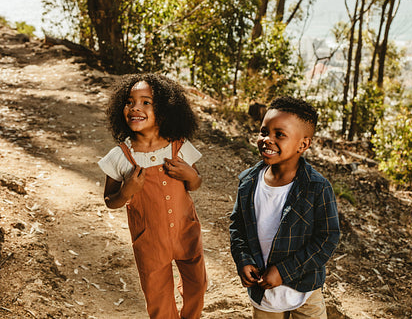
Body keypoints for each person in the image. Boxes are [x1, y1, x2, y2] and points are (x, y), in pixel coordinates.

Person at [98, 73, 206, 319]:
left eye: (146, 102)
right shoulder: (121, 156)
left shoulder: (178, 146)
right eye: (129, 101)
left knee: (197, 288)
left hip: (186, 233)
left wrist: (190, 174)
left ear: (166, 110)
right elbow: (109, 201)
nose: (135, 107)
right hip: (149, 242)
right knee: (158, 300)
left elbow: (196, 183)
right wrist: (125, 191)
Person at [229, 96, 341, 318]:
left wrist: (284, 270)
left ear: (303, 144)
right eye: (264, 131)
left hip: (305, 289)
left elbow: (327, 238)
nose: (267, 139)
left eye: (279, 135)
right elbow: (238, 226)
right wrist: (243, 259)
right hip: (264, 292)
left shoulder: (316, 188)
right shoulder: (249, 183)